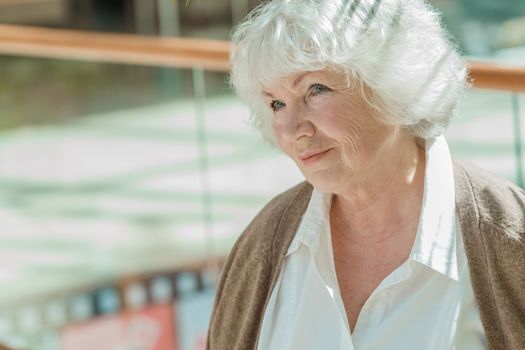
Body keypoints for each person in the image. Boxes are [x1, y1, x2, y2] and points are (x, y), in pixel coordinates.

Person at [207, 0, 525, 349]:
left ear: (394, 84)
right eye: (276, 104)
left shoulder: (509, 237)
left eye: (316, 89)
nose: (292, 129)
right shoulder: (262, 247)